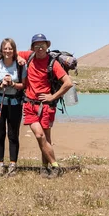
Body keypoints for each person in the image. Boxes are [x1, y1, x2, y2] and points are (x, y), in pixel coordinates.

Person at [18, 33, 73, 179]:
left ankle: (47, 167)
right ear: (32, 47)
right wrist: (18, 58)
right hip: (29, 104)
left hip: (46, 106)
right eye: (36, 45)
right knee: (39, 135)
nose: (40, 47)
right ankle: (54, 166)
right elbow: (9, 53)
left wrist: (53, 96)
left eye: (42, 45)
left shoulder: (53, 63)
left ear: (47, 46)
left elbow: (68, 83)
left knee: (45, 138)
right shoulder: (28, 56)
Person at [0, 38, 26, 177]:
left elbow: (24, 85)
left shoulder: (20, 65)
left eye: (10, 48)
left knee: (13, 134)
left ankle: (13, 164)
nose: (8, 51)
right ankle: (0, 164)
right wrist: (0, 85)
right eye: (5, 48)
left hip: (15, 102)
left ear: (14, 50)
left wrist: (12, 84)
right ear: (1, 50)